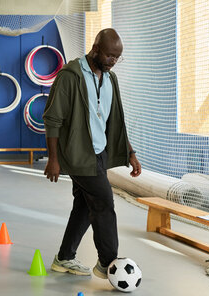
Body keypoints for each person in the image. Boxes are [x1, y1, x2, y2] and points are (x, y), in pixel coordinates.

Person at [43, 28, 142, 279]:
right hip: (77, 154)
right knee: (104, 203)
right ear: (95, 49)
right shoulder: (70, 75)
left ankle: (64, 258)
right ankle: (108, 264)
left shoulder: (110, 79)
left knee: (85, 205)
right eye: (110, 55)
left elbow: (115, 121)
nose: (113, 61)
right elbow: (52, 118)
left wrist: (130, 152)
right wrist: (53, 159)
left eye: (118, 57)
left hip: (99, 153)